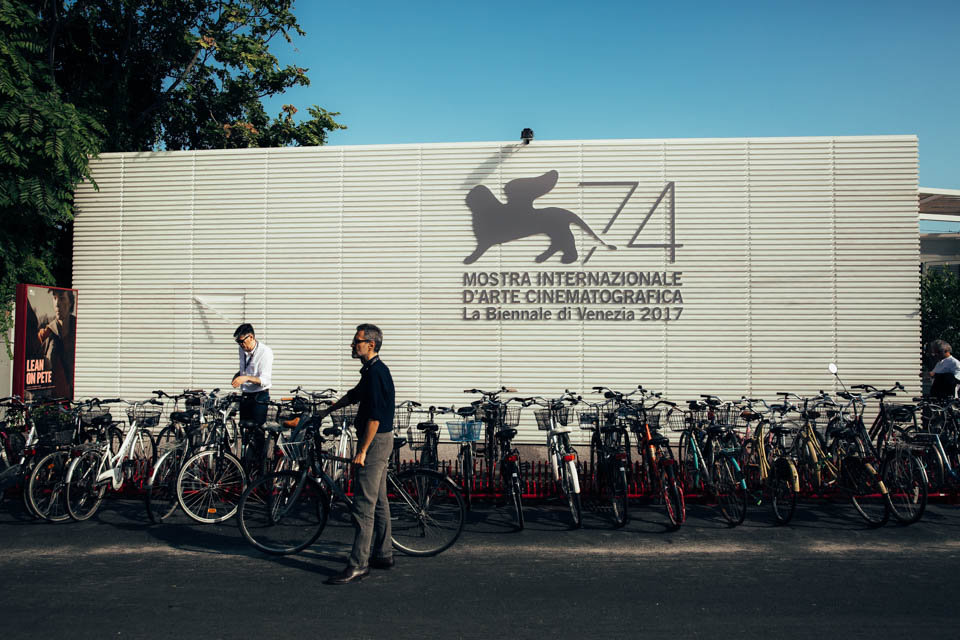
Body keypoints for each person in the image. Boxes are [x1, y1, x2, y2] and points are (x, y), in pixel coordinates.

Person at [320, 323, 395, 585]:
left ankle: (358, 564)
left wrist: (362, 451)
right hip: (380, 440)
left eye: (357, 341)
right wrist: (326, 411)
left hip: (374, 442)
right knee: (381, 500)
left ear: (370, 345)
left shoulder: (376, 374)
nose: (353, 345)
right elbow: (354, 395)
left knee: (364, 505)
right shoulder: (372, 371)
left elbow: (375, 417)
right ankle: (384, 554)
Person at [231, 324, 274, 454]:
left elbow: (265, 380)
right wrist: (238, 375)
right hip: (246, 394)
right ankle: (245, 464)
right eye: (238, 342)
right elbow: (247, 370)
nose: (240, 345)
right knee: (244, 431)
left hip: (259, 396)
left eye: (242, 341)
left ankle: (258, 467)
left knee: (257, 433)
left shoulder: (265, 352)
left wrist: (245, 378)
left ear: (251, 337)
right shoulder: (242, 350)